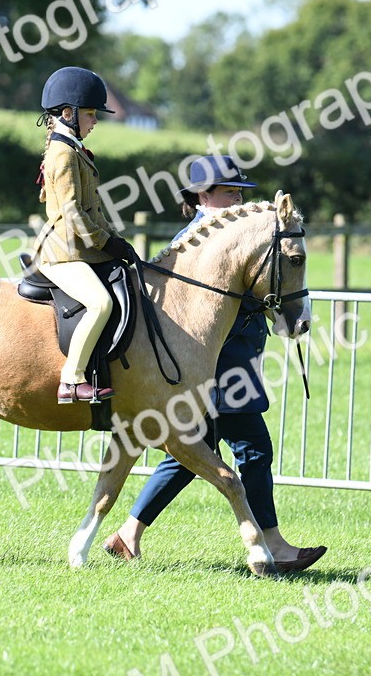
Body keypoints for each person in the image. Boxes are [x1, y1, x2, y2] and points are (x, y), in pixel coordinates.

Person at [102, 154, 327, 573]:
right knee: (253, 449)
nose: (238, 197)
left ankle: (127, 536)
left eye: (240, 191)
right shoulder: (197, 240)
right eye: (230, 191)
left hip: (231, 362)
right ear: (203, 195)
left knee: (190, 455)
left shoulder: (227, 237)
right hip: (219, 366)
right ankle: (272, 544)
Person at [29, 66, 137, 404]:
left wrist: (116, 240)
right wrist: (107, 243)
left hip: (80, 249)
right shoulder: (62, 154)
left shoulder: (74, 150)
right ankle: (72, 380)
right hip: (61, 253)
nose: (95, 121)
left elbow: (94, 211)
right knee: (100, 303)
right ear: (67, 114)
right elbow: (73, 214)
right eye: (91, 114)